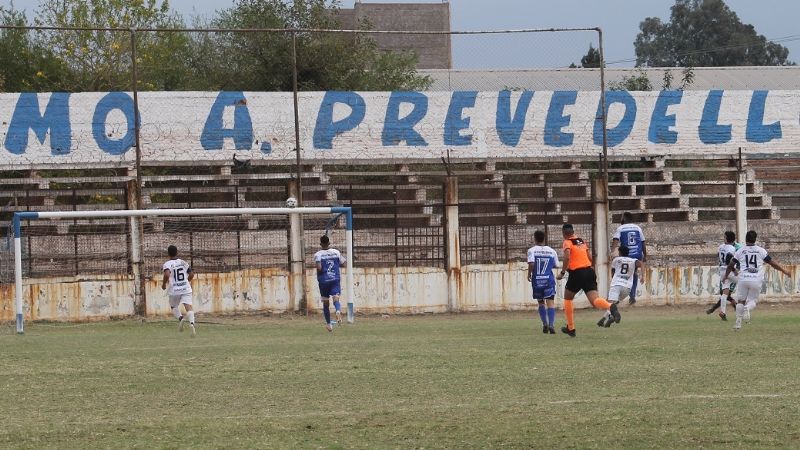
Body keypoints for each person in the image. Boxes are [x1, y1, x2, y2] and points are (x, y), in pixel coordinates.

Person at [557, 223, 621, 337]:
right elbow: (589, 256)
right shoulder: (580, 240)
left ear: (564, 233)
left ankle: (571, 328)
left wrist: (562, 272)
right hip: (589, 270)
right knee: (595, 301)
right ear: (573, 231)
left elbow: (567, 256)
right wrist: (591, 268)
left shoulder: (567, 242)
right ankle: (610, 306)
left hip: (577, 273)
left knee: (567, 298)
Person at [724, 230, 791, 330]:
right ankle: (747, 309)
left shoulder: (740, 251)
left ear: (745, 239)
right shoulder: (761, 251)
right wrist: (784, 271)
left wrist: (726, 276)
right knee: (753, 301)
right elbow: (772, 263)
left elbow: (730, 265)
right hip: (756, 279)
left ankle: (738, 323)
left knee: (741, 301)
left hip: (743, 279)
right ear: (755, 239)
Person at [598, 245, 644, 328]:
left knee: (610, 303)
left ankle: (615, 315)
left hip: (616, 284)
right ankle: (604, 319)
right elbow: (641, 263)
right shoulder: (633, 260)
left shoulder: (616, 259)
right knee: (613, 304)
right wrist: (642, 276)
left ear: (620, 252)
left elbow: (613, 272)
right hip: (627, 288)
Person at [527, 230, 559, 335]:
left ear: (535, 238)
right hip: (548, 280)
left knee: (541, 302)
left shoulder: (532, 250)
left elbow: (531, 263)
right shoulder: (551, 251)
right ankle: (551, 325)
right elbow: (556, 265)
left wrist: (529, 274)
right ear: (544, 238)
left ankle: (545, 324)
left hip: (537, 280)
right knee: (550, 303)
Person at [611, 212, 647, 305]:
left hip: (626, 254)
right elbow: (643, 243)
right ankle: (632, 296)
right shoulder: (638, 228)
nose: (620, 219)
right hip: (637, 254)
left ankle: (617, 295)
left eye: (621, 218)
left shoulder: (620, 228)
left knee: (617, 272)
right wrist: (645, 255)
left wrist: (612, 252)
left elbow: (615, 240)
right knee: (633, 273)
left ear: (624, 219)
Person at [161, 245, 196, 337]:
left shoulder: (167, 264)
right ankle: (192, 324)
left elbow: (167, 274)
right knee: (188, 307)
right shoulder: (183, 262)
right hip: (186, 288)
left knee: (173, 307)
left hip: (174, 289)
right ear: (177, 252)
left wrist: (164, 284)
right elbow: (192, 274)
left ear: (168, 254)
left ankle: (181, 319)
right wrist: (186, 281)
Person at [313, 235, 346, 332]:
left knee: (326, 303)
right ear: (329, 243)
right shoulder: (336, 252)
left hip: (324, 281)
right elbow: (344, 263)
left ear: (320, 244)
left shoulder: (318, 254)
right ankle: (338, 310)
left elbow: (319, 267)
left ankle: (329, 324)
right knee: (336, 298)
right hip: (335, 278)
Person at [706, 231, 741, 320]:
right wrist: (734, 270)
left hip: (722, 271)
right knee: (744, 283)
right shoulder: (732, 248)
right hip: (730, 271)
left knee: (725, 293)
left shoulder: (721, 246)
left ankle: (722, 311)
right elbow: (729, 259)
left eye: (724, 237)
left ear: (727, 238)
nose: (723, 238)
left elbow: (718, 255)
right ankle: (743, 308)